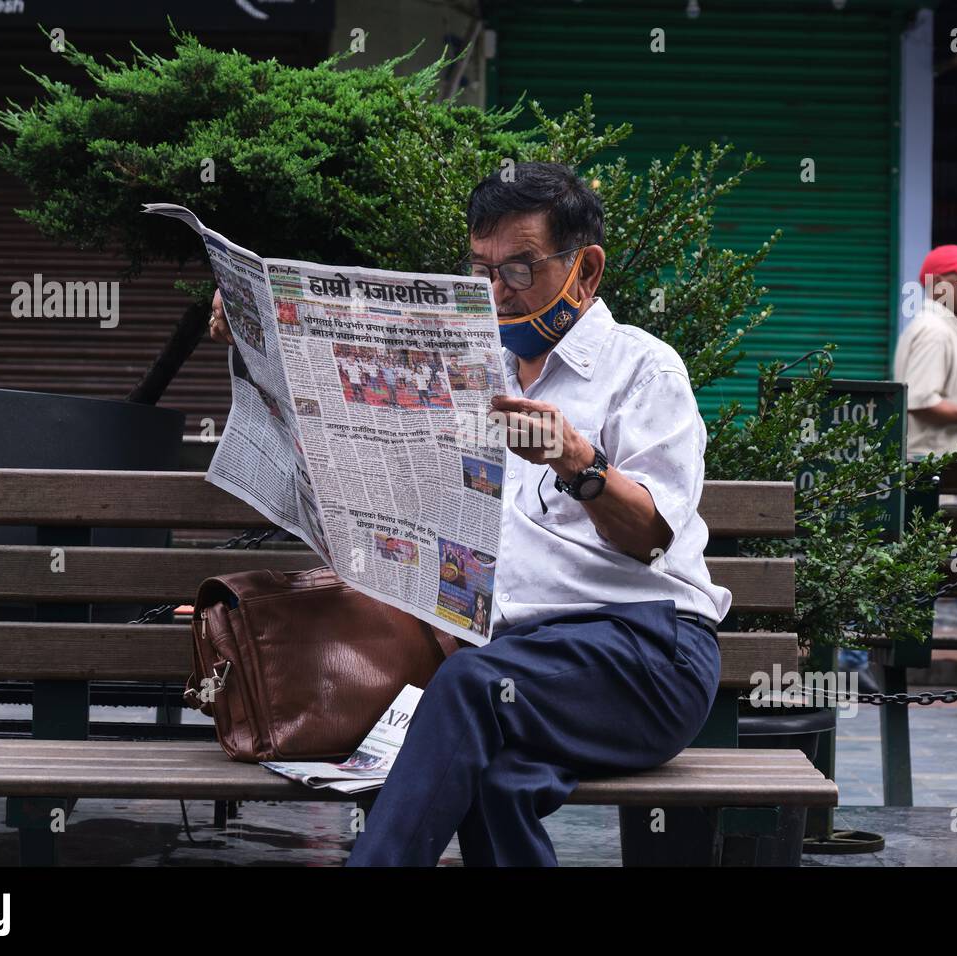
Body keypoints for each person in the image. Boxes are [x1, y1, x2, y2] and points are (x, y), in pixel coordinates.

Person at [214, 162, 728, 866]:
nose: (495, 293)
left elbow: (650, 537)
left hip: (646, 656)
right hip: (523, 664)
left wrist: (581, 465)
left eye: (518, 270)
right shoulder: (465, 371)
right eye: (481, 269)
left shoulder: (643, 370)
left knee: (470, 691)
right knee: (497, 777)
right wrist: (258, 346)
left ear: (586, 270)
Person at [843, 245, 957, 690]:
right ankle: (850, 657)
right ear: (941, 284)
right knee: (909, 564)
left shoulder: (943, 330)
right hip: (932, 475)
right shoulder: (933, 331)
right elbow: (922, 401)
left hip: (944, 476)